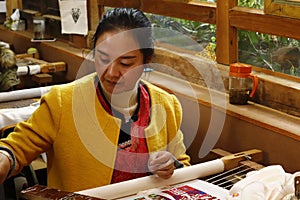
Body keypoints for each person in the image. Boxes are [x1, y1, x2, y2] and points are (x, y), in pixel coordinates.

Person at [0, 8, 190, 192]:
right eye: (103, 58)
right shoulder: (62, 102)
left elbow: (183, 166)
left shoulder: (166, 105)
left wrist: (172, 165)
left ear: (147, 62)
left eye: (125, 63)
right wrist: (5, 157)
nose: (112, 73)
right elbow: (16, 148)